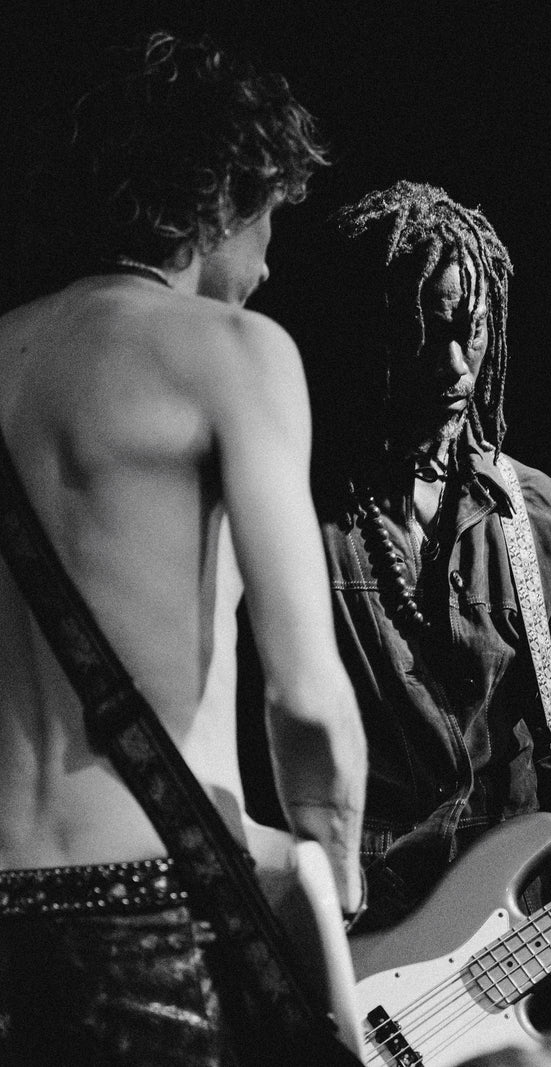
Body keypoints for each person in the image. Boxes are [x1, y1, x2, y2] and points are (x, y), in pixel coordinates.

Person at [240, 180, 551, 1046]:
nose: (455, 366)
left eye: (470, 329)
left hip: (525, 970)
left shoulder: (545, 521)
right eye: (423, 330)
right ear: (367, 332)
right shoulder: (290, 518)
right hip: (347, 972)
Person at [0, 31, 366, 1066]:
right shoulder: (235, 354)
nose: (269, 261)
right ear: (225, 197)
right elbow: (307, 700)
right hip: (147, 910)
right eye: (268, 217)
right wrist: (333, 871)